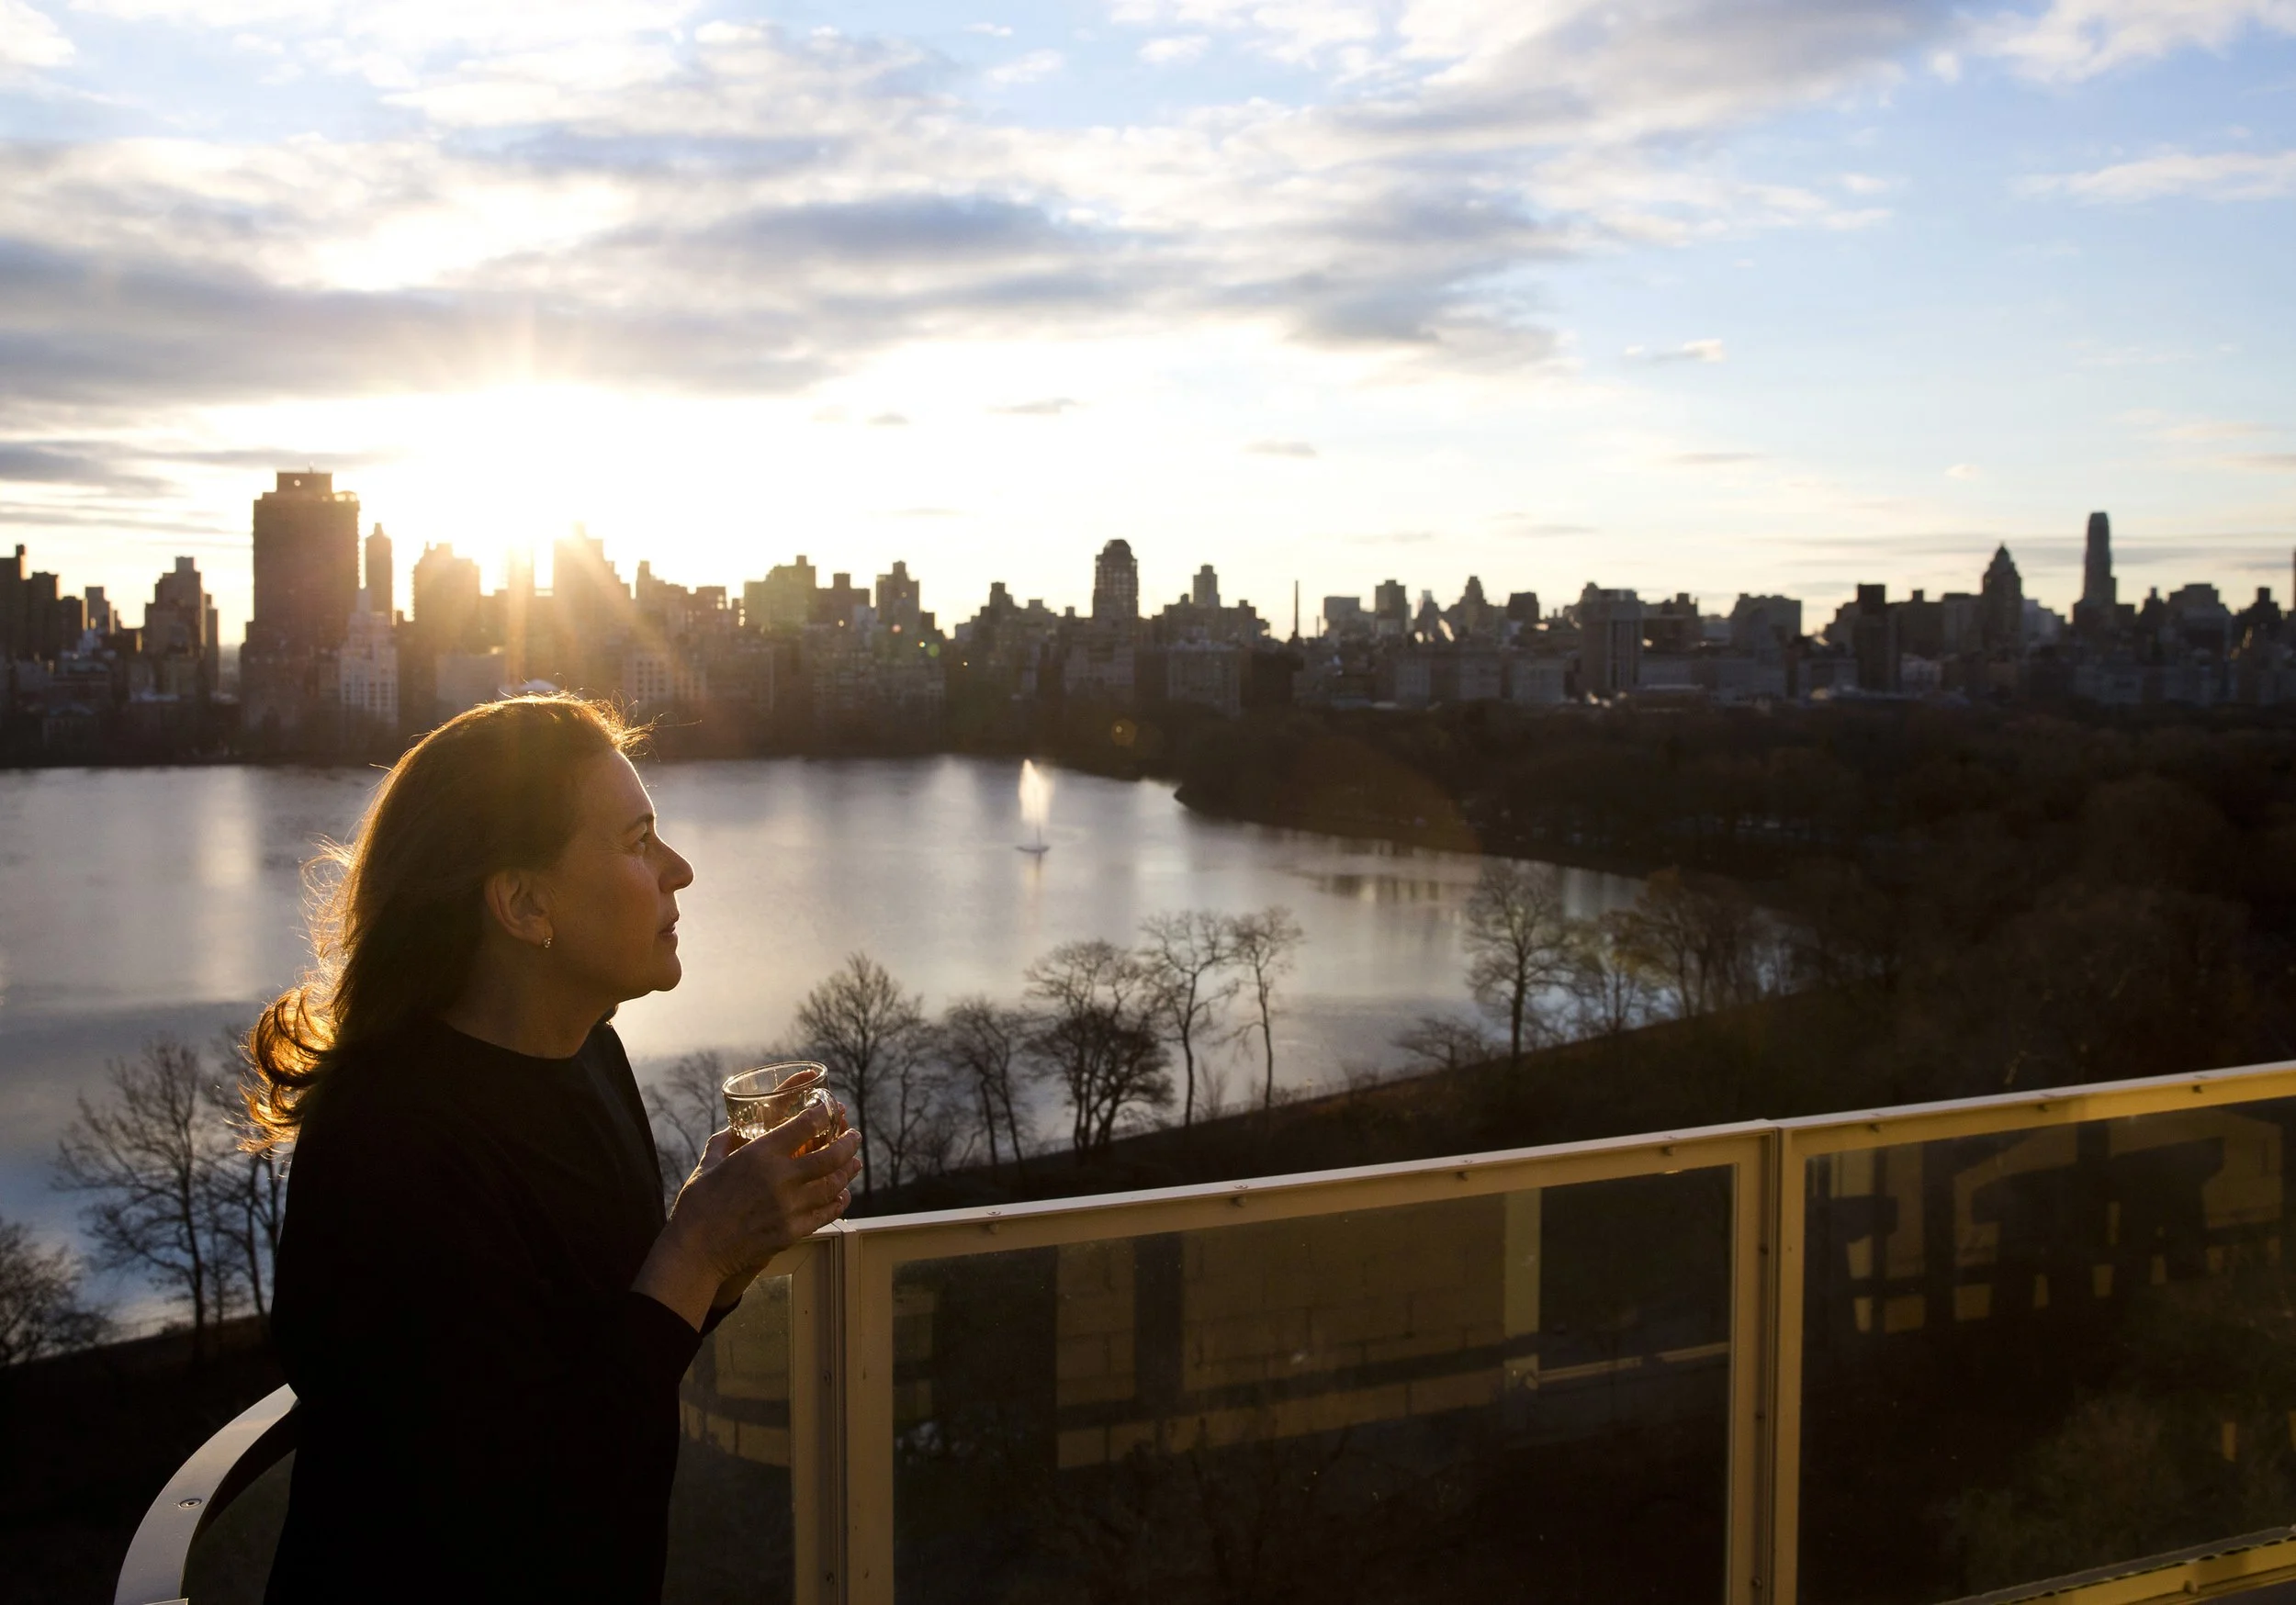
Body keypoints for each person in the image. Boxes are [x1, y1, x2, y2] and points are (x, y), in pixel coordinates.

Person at [246, 695, 861, 1603]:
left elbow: (606, 1348)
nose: (680, 869)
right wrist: (691, 1251)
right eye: (637, 839)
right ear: (525, 902)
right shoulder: (397, 1150)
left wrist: (724, 1252)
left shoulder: (583, 1054)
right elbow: (523, 1517)